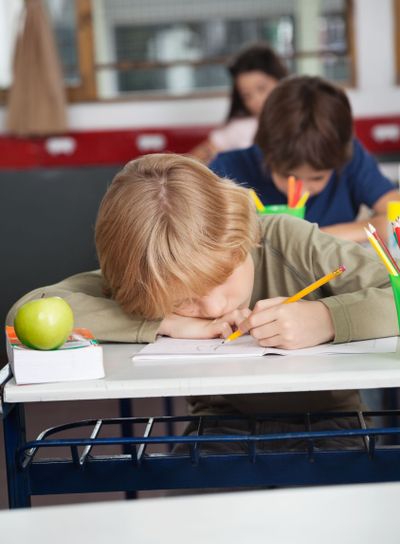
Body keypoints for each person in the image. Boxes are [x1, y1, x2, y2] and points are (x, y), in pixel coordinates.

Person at [7, 154, 398, 450]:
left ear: (245, 237)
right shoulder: (150, 273)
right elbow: (28, 311)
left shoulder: (287, 242)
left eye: (222, 278)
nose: (212, 307)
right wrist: (164, 323)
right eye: (184, 301)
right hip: (217, 427)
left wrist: (326, 318)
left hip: (336, 422)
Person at [209, 75, 400, 244]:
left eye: (317, 178)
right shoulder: (227, 169)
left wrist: (313, 239)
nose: (301, 191)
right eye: (288, 176)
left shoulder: (349, 159)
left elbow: (396, 215)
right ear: (266, 153)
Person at [188, 42, 288, 163]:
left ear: (281, 81)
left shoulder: (302, 120)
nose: (256, 100)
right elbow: (194, 159)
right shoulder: (240, 129)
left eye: (262, 88)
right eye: (246, 95)